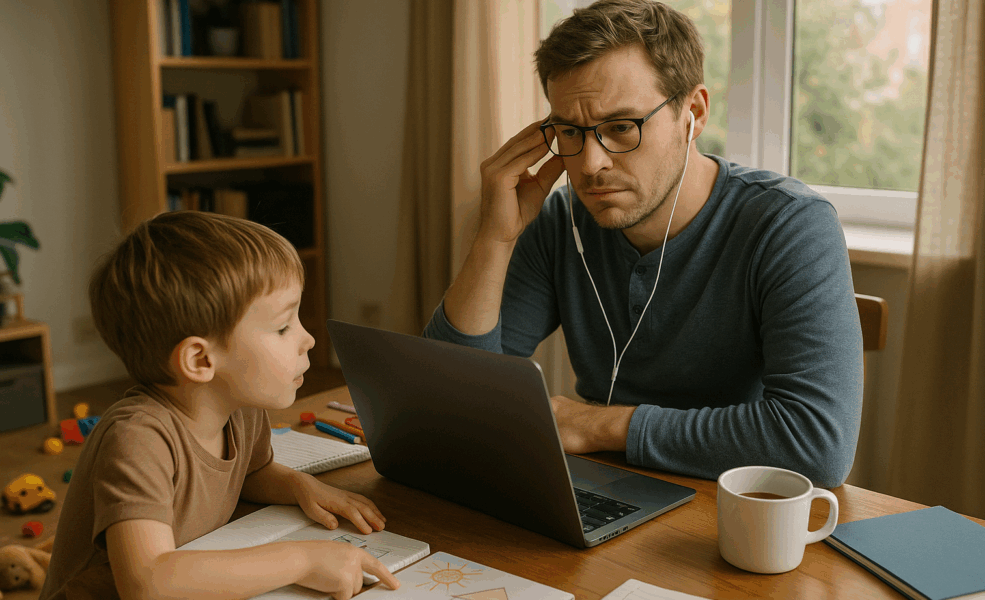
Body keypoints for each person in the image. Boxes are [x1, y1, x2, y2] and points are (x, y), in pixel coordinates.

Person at [424, 0, 863, 488]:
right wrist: (495, 236)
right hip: (600, 488)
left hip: (729, 507)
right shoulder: (560, 221)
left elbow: (818, 444)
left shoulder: (789, 226)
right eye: (570, 131)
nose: (590, 164)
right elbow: (450, 399)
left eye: (620, 128)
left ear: (692, 113)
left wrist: (600, 425)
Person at [41, 212, 400, 600]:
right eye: (283, 327)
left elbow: (250, 474)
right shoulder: (138, 438)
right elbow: (145, 583)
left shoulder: (240, 407)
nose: (308, 339)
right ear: (200, 361)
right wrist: (304, 560)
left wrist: (301, 485)